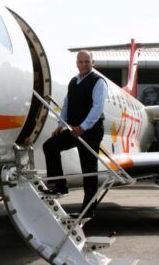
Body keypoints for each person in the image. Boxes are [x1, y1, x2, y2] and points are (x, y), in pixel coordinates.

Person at [41, 50, 107, 217]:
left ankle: (88, 211)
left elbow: (97, 108)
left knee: (88, 170)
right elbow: (66, 104)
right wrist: (61, 125)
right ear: (77, 63)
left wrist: (83, 127)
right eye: (81, 61)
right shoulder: (73, 82)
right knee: (50, 146)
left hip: (91, 131)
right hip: (74, 129)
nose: (84, 64)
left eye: (87, 61)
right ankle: (59, 185)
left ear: (93, 63)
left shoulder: (98, 82)